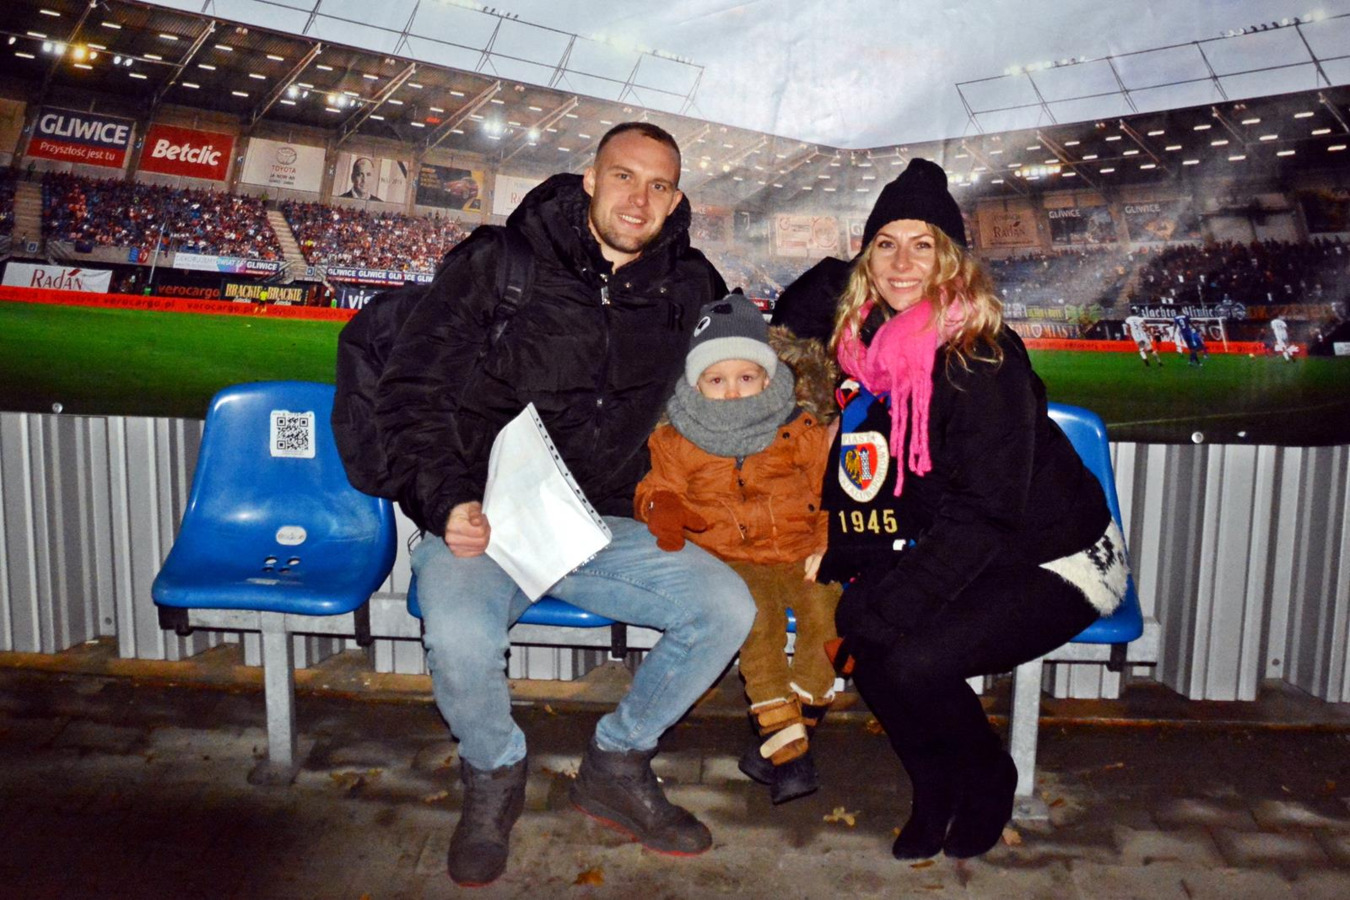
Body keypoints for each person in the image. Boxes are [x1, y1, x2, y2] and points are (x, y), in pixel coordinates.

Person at [372, 122, 755, 887]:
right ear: (590, 179)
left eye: (658, 185)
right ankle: (494, 773)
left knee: (726, 608)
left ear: (675, 197)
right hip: (486, 517)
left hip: (599, 524)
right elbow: (414, 391)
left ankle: (616, 763)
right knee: (459, 634)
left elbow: (746, 370)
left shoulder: (690, 283)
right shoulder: (500, 262)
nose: (638, 199)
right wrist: (447, 501)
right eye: (623, 176)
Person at [809, 159, 1130, 861]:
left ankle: (987, 779)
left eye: (922, 244)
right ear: (867, 258)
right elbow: (890, 487)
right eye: (886, 243)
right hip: (967, 543)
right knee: (866, 630)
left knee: (910, 657)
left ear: (950, 259)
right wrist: (857, 566)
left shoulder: (980, 359)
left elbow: (985, 512)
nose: (901, 262)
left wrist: (893, 604)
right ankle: (933, 786)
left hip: (1060, 555)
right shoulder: (872, 352)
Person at [634, 292, 841, 805]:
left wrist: (828, 542)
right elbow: (657, 488)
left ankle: (785, 734)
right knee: (758, 632)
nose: (731, 391)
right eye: (716, 379)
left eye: (746, 377)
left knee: (829, 619)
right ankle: (790, 755)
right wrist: (661, 506)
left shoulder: (800, 428)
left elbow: (830, 490)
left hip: (801, 550)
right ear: (695, 383)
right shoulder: (676, 438)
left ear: (767, 378)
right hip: (732, 560)